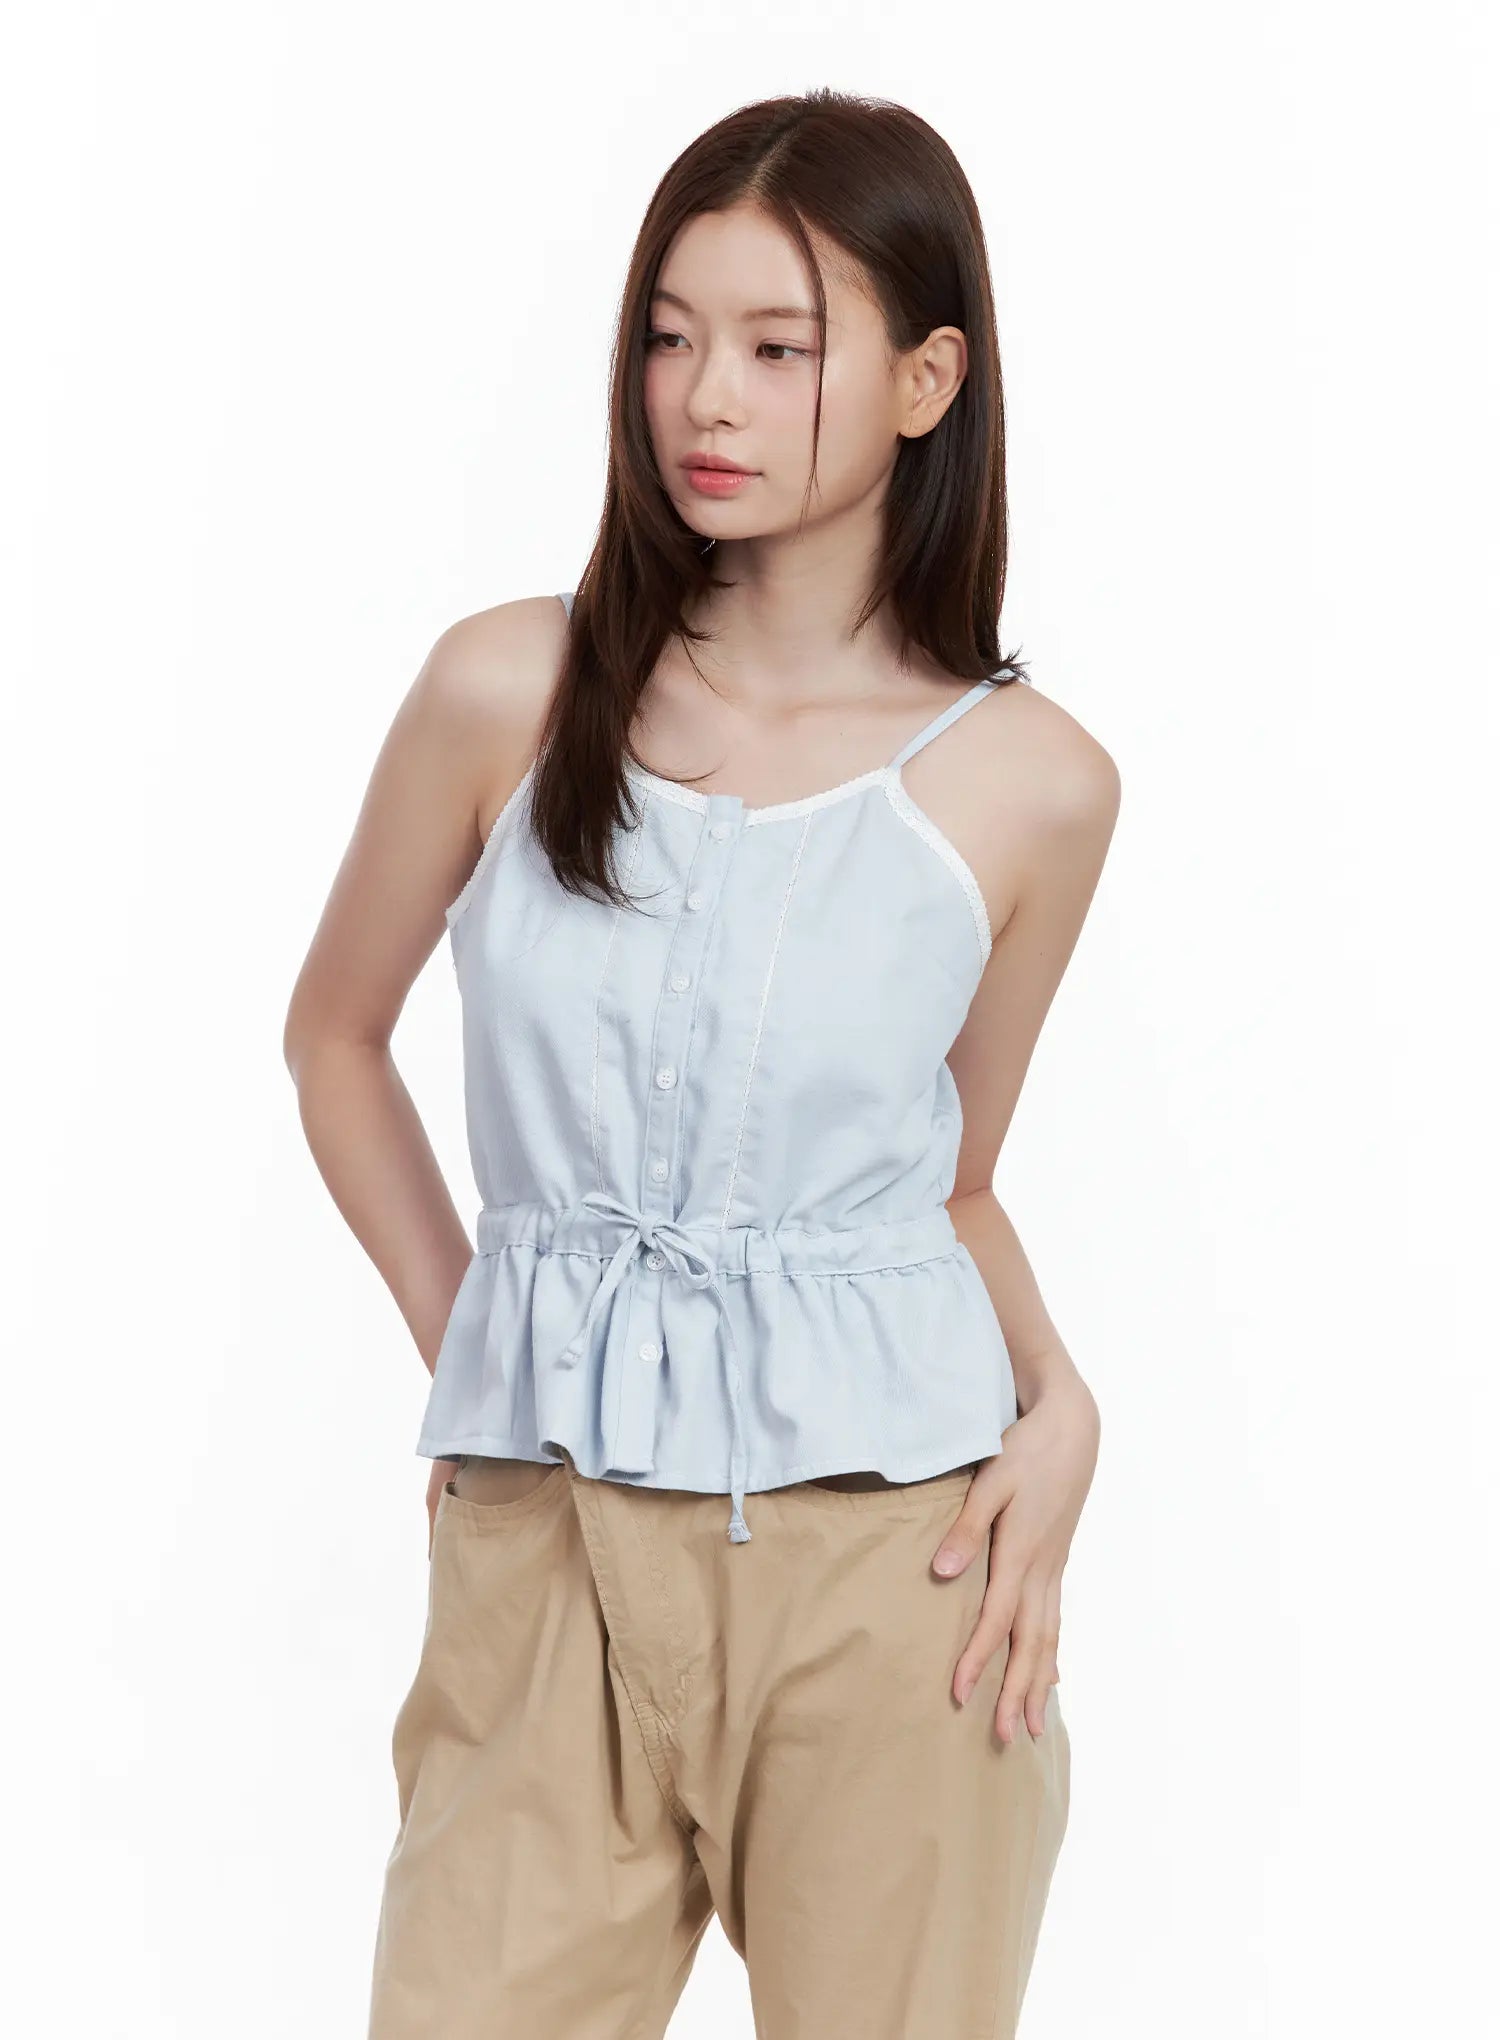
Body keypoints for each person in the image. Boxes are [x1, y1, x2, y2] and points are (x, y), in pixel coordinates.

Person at [284, 87, 1117, 2040]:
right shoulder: (509, 687)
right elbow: (333, 1038)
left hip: (892, 1567)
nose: (703, 399)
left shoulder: (1032, 786)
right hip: (550, 1543)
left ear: (926, 383)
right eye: (669, 336)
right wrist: (484, 1346)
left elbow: (949, 1178)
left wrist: (1065, 1401)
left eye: (776, 346)